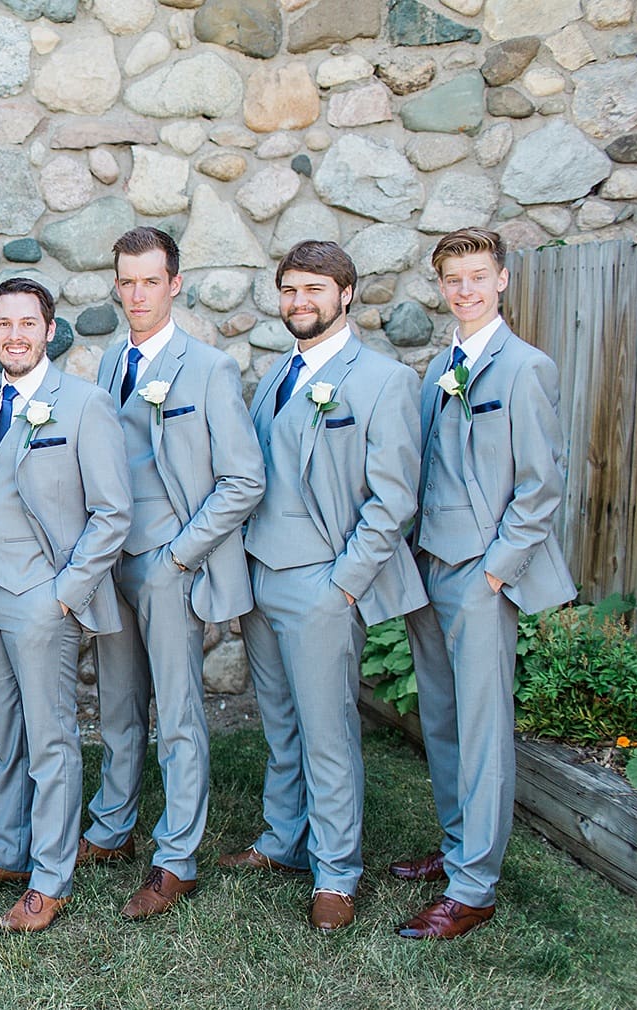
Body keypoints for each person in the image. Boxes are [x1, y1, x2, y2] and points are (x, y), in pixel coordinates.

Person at [226, 240, 425, 930]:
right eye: (289, 289)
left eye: (314, 288)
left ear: (346, 294)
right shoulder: (275, 374)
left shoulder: (383, 381)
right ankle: (283, 839)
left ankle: (336, 871)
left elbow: (393, 499)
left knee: (328, 732)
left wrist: (343, 584)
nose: (299, 301)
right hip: (260, 575)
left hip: (321, 580)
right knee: (280, 723)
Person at [394, 227, 574, 940]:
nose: (464, 290)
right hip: (429, 562)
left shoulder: (525, 367)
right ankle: (455, 845)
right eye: (452, 279)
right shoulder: (442, 364)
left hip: (480, 573)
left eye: (477, 276)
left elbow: (541, 484)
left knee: (482, 728)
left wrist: (496, 570)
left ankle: (474, 889)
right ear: (441, 287)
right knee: (440, 718)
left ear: (500, 279)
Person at [86, 228, 265, 919]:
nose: (137, 295)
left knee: (180, 714)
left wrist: (180, 556)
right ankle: (112, 827)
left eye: (150, 281)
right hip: (112, 561)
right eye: (126, 282)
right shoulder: (111, 361)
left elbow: (243, 480)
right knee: (117, 704)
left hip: (168, 563)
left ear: (174, 284)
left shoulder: (209, 369)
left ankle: (177, 859)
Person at [0, 277, 131, 932]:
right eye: (4, 324)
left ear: (50, 331)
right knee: (7, 734)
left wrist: (63, 594)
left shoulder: (84, 405)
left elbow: (112, 513)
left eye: (27, 323)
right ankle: (11, 849)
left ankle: (51, 877)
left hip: (41, 597)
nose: (15, 335)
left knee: (51, 739)